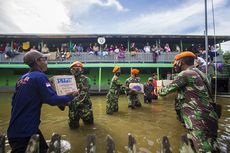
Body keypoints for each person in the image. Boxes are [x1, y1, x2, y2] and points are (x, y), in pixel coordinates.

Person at [7, 51, 77, 153]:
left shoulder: (22, 79)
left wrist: (58, 100)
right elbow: (51, 99)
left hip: (18, 129)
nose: (46, 62)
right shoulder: (40, 76)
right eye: (45, 59)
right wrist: (71, 96)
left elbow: (20, 101)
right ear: (38, 61)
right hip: (25, 133)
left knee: (44, 149)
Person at [158, 51, 219, 152]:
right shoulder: (201, 74)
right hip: (210, 117)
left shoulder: (185, 74)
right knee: (212, 146)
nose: (174, 66)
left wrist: (158, 90)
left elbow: (164, 92)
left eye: (175, 63)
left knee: (204, 150)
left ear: (180, 62)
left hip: (198, 119)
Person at [68, 61, 94, 129]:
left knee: (89, 127)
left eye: (77, 69)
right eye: (73, 70)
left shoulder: (85, 80)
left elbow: (83, 94)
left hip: (84, 107)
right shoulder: (70, 80)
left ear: (81, 70)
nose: (75, 71)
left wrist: (69, 102)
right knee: (73, 127)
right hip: (73, 109)